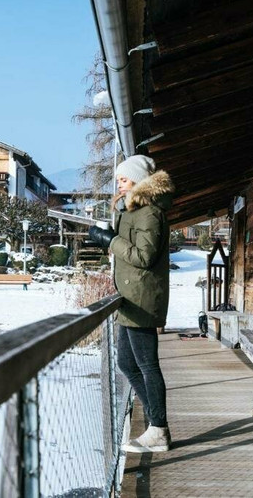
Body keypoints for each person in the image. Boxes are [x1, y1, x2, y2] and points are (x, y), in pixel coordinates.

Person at [88, 154, 174, 453]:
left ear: (138, 180)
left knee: (147, 365)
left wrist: (109, 240)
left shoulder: (149, 213)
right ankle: (154, 423)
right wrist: (106, 238)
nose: (119, 184)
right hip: (129, 297)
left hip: (141, 299)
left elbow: (144, 257)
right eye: (118, 180)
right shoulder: (131, 210)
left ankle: (159, 429)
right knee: (127, 362)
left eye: (123, 179)